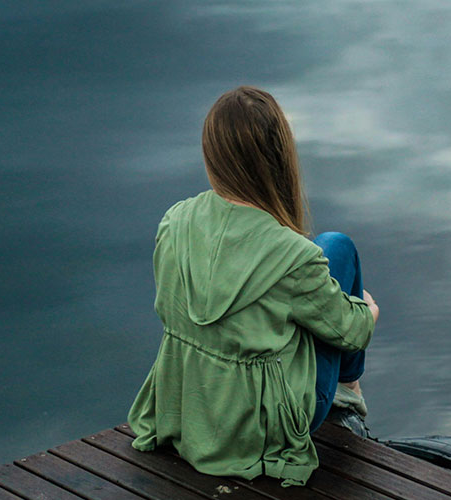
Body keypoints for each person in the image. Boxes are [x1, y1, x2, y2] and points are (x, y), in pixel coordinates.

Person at [127, 86, 379, 487]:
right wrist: (366, 310)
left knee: (320, 261)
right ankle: (348, 395)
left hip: (190, 412)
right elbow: (355, 332)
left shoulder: (173, 222)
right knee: (337, 247)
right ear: (278, 159)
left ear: (212, 157)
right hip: (261, 432)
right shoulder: (294, 256)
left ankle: (344, 392)